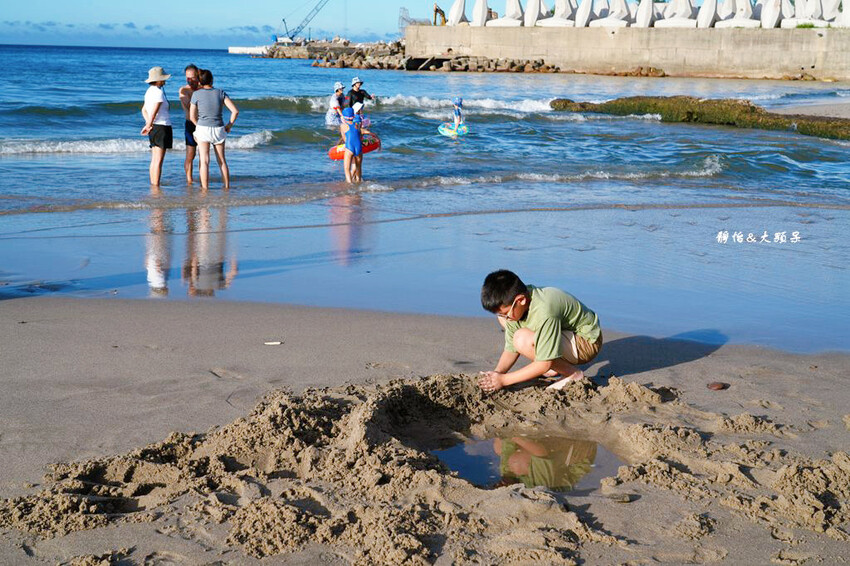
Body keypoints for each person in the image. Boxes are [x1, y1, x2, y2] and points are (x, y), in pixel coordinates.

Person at [477, 269, 603, 393]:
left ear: (521, 300)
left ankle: (573, 374)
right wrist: (497, 373)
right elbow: (511, 348)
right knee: (512, 329)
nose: (506, 318)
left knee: (522, 339)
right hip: (564, 334)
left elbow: (544, 363)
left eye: (506, 313)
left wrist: (504, 380)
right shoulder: (519, 303)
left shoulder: (544, 310)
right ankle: (557, 366)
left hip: (586, 342)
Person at [189, 69, 239, 190]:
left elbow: (191, 117)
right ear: (212, 80)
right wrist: (229, 125)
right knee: (222, 160)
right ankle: (226, 186)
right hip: (218, 129)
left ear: (200, 82)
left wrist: (198, 126)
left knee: (204, 161)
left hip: (203, 129)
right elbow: (235, 111)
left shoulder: (196, 94)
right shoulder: (220, 92)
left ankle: (205, 189)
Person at [140, 66, 173, 187]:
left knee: (154, 160)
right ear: (158, 80)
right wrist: (149, 124)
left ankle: (153, 184)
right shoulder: (158, 92)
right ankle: (156, 186)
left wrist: (148, 124)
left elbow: (144, 110)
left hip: (154, 127)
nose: (165, 81)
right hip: (161, 127)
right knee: (158, 160)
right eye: (163, 78)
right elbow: (154, 111)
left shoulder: (148, 92)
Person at [179, 64, 201, 184]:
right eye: (187, 78)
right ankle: (189, 180)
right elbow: (188, 105)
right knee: (190, 155)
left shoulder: (203, 88)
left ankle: (203, 178)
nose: (190, 80)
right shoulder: (183, 90)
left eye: (192, 77)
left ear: (197, 76)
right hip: (190, 124)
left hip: (203, 124)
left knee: (203, 155)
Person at [339, 107, 362, 183]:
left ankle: (349, 184)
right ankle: (358, 181)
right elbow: (359, 136)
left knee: (346, 168)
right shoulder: (357, 125)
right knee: (358, 167)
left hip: (349, 147)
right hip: (358, 147)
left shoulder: (343, 126)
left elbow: (345, 139)